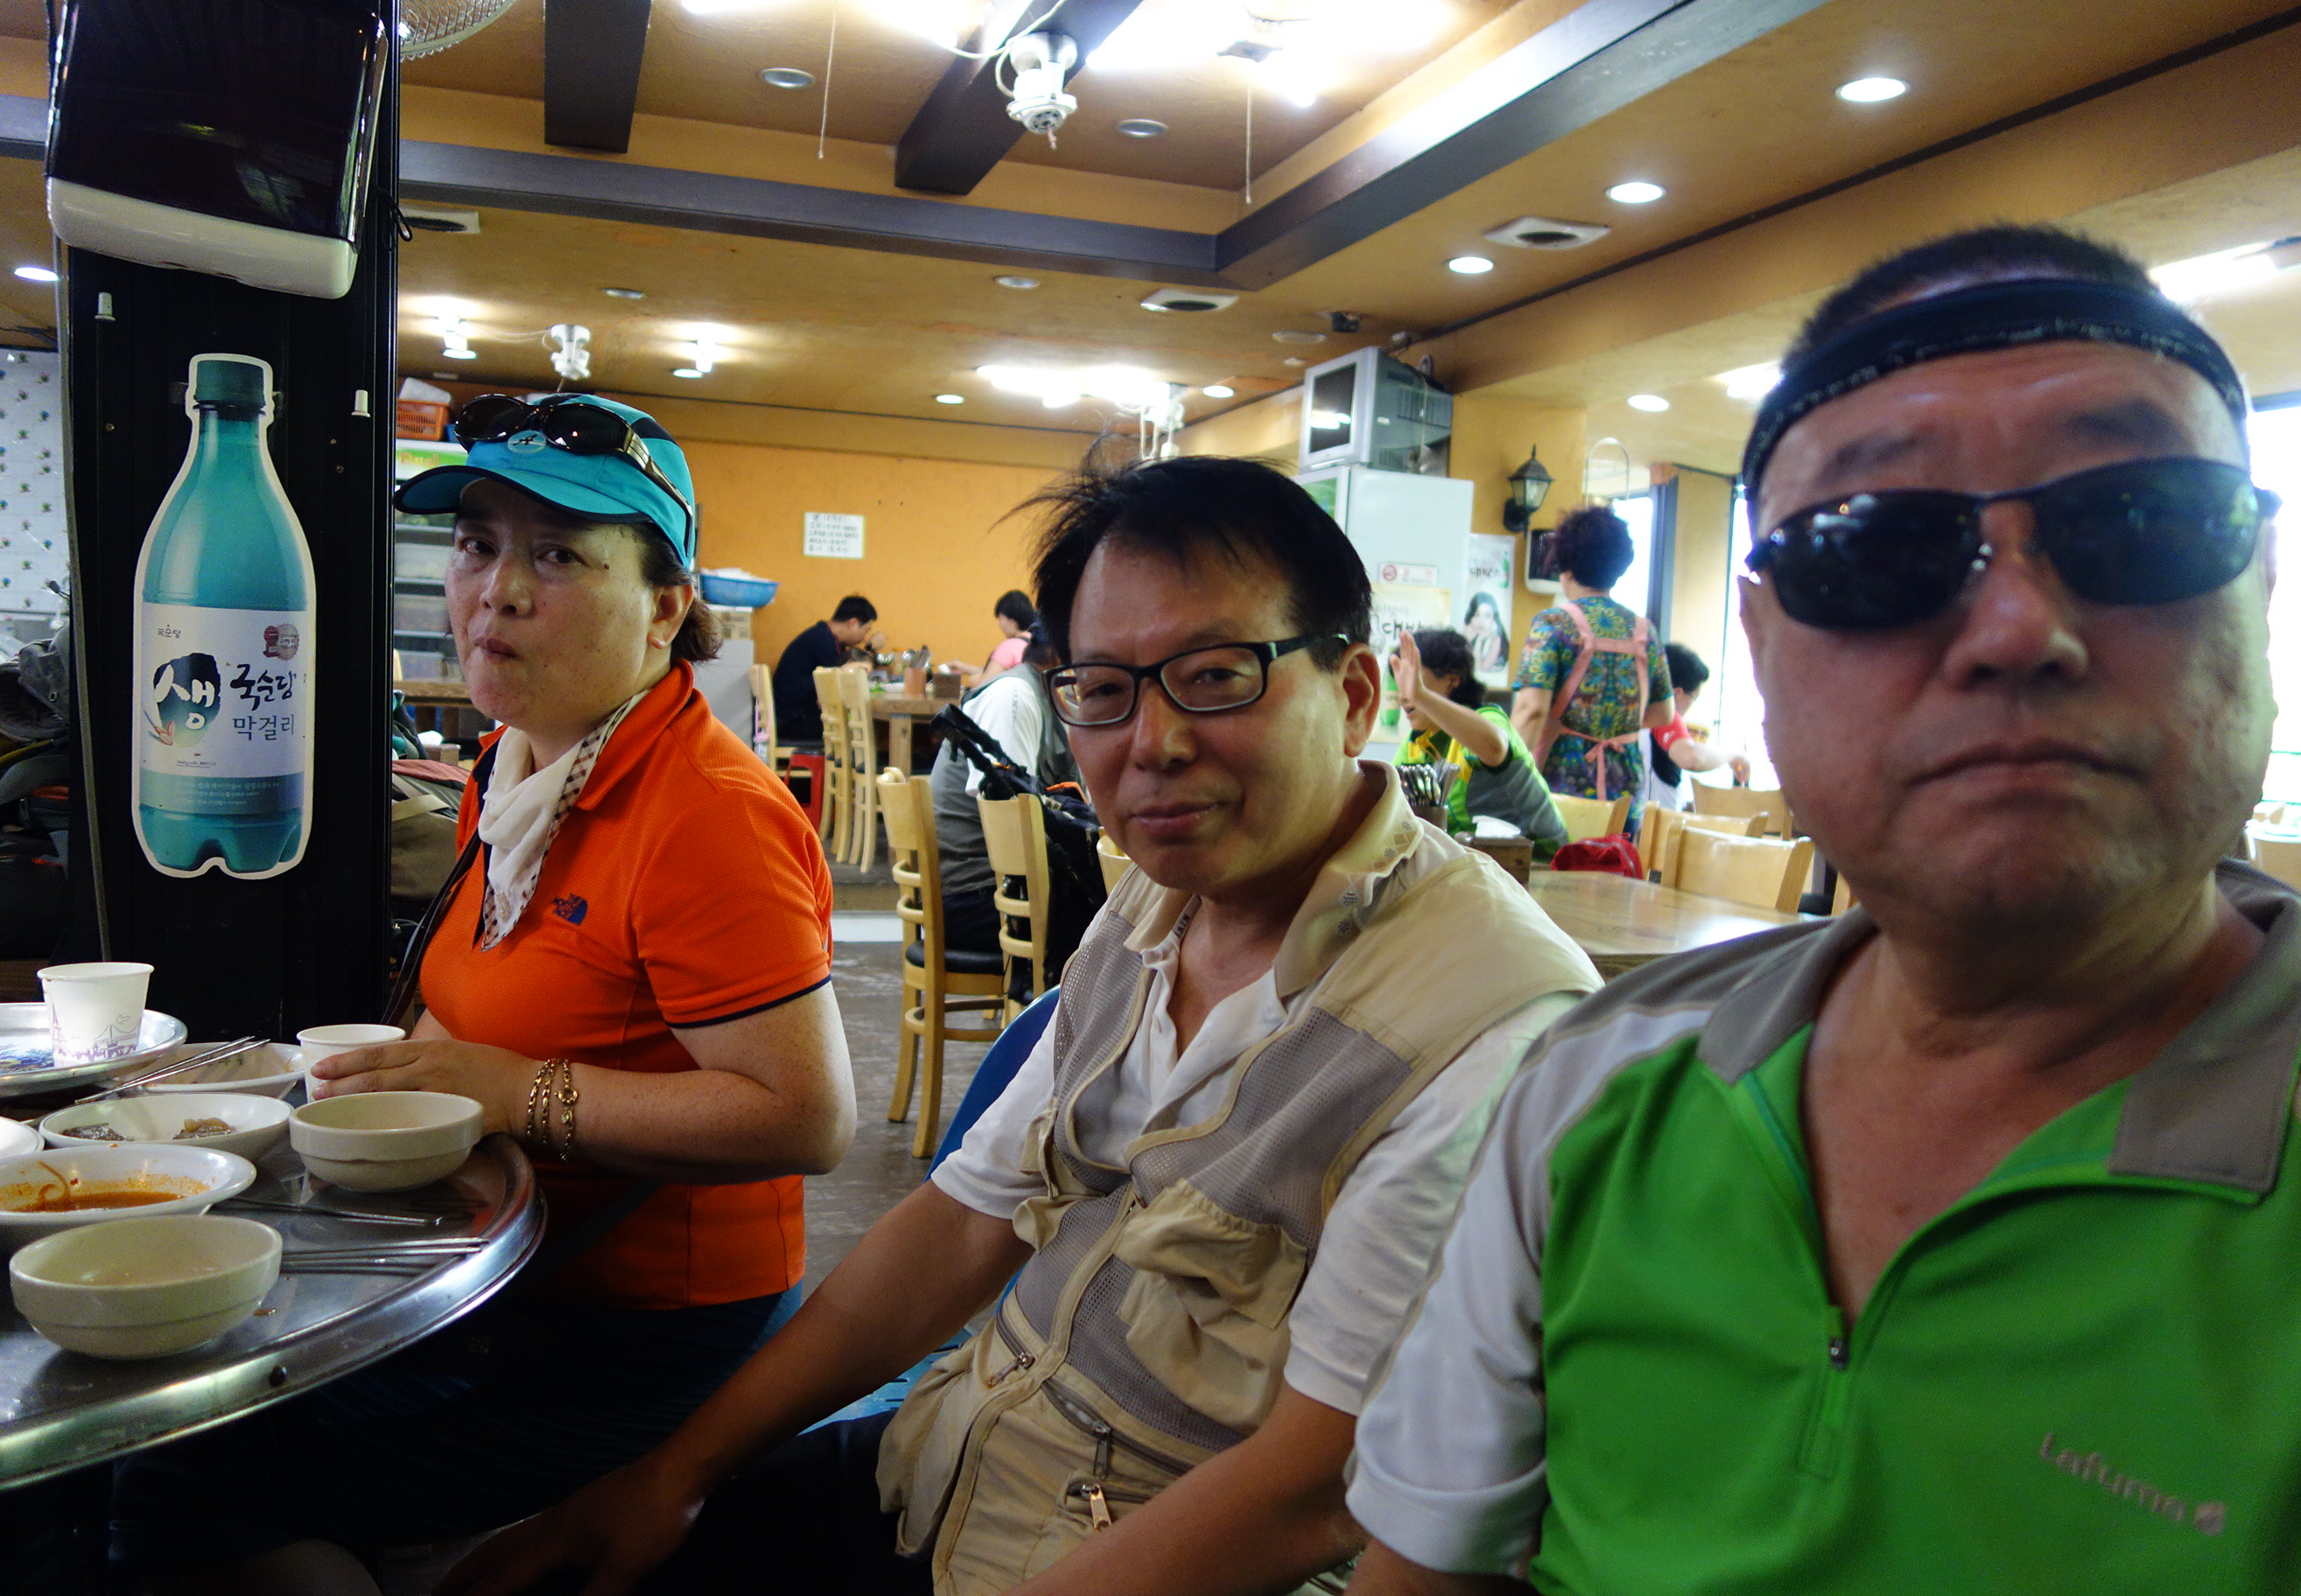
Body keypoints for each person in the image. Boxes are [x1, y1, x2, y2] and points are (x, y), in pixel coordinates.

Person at [1344, 225, 2301, 1595]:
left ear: (2262, 589)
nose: (2017, 630)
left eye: (2140, 518)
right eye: (1873, 549)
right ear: (1763, 640)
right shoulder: (1591, 1090)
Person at [441, 455, 1598, 1596]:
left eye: (1215, 675)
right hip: (952, 1463)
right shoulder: (1157, 901)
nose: (1152, 743)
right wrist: (671, 1479)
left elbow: (1315, 1487)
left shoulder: (1484, 1026)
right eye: (1104, 690)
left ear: (1353, 697)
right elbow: (961, 1224)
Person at [114, 395, 859, 1592]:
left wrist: (515, 1092)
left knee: (184, 1482)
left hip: (642, 1331)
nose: (496, 591)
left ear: (668, 606)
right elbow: (465, 1016)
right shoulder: (516, 770)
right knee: (177, 1408)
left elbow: (805, 1120)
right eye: (477, 544)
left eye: (558, 556)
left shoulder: (709, 814)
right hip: (502, 1273)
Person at [1508, 506, 1672, 823]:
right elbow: (1663, 713)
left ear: (1565, 566)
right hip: (1626, 795)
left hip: (1561, 790)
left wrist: (1507, 778)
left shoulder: (1554, 623)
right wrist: (1610, 724)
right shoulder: (1644, 631)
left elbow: (1531, 710)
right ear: (1619, 566)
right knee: (1616, 856)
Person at [930, 620, 1077, 955]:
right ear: (1061, 654)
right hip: (976, 897)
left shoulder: (1047, 695)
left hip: (1001, 889)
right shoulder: (1013, 696)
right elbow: (1010, 819)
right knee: (1122, 928)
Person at [1393, 626, 1567, 857]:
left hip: (1540, 863)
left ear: (1452, 680)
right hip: (1478, 864)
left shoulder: (1488, 718)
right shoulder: (1416, 742)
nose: (1403, 695)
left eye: (1413, 679)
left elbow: (1494, 747)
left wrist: (1421, 696)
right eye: (1401, 683)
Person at [1642, 640, 1752, 812]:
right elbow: (1691, 758)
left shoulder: (1633, 710)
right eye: (1693, 698)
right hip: (1649, 825)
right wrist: (1732, 756)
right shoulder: (1664, 714)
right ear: (1677, 694)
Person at [772, 593, 880, 745]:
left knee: (857, 724)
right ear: (853, 623)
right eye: (866, 630)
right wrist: (870, 651)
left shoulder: (822, 635)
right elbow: (840, 683)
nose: (864, 638)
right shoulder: (825, 642)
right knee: (860, 728)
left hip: (789, 718)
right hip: (794, 722)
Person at [951, 587, 1040, 689]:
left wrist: (973, 680)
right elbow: (996, 672)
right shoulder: (1035, 642)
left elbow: (984, 684)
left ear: (1012, 621)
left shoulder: (1010, 647)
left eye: (1001, 619)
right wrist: (963, 667)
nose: (1000, 625)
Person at [1461, 590, 1508, 681]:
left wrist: (1479, 641)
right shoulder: (1467, 633)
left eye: (1487, 616)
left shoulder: (1496, 639)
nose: (1481, 621)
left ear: (1494, 619)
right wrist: (1466, 640)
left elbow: (1480, 672)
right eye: (1477, 615)